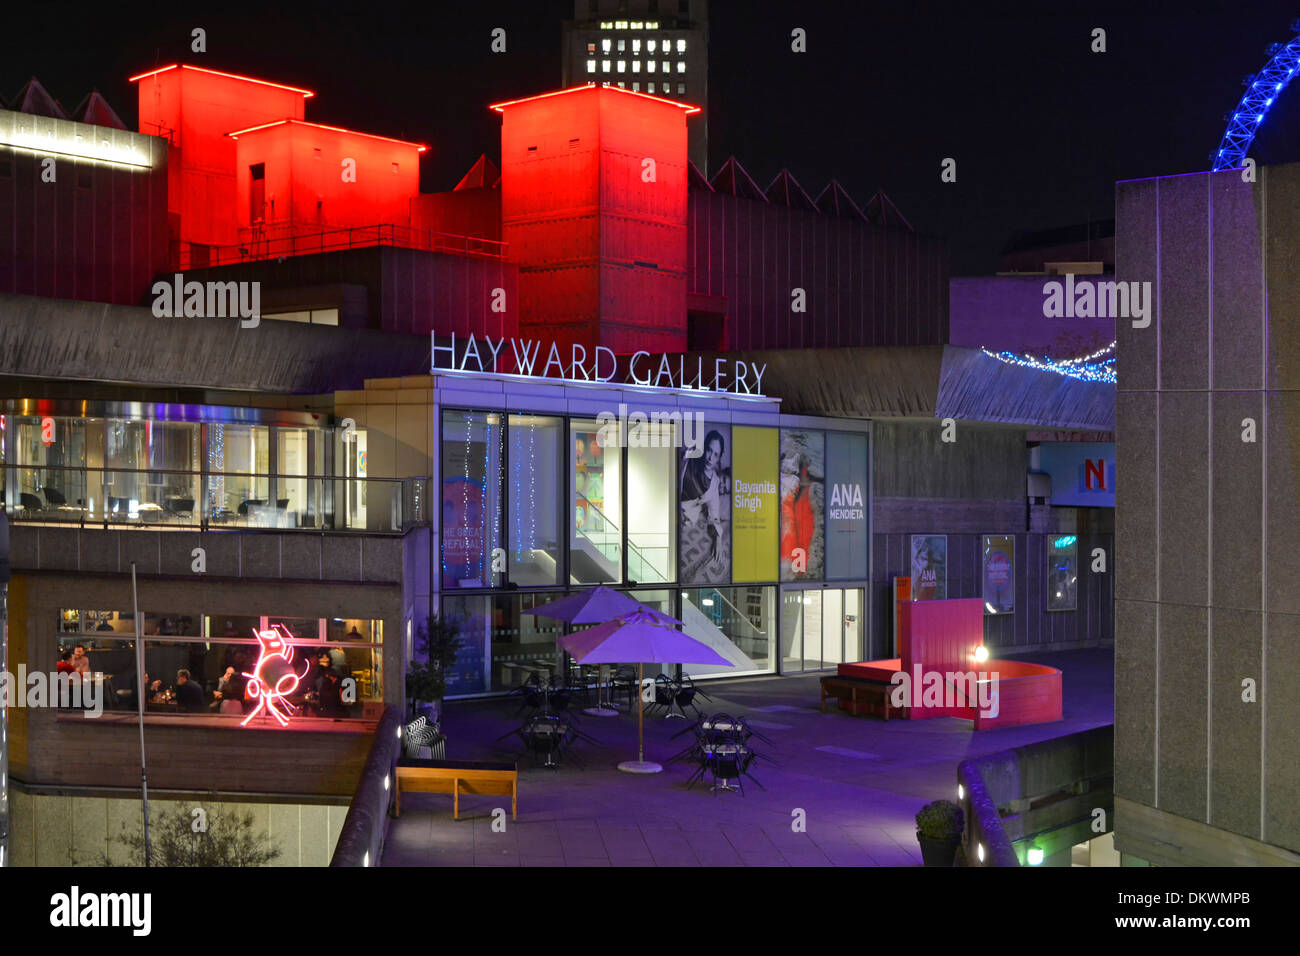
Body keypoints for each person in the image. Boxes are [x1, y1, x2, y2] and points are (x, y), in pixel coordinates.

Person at [680, 429, 730, 579]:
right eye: (709, 450)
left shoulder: (714, 484)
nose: (710, 458)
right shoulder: (688, 460)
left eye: (715, 454)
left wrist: (718, 539)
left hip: (685, 521)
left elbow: (714, 516)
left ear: (719, 457)